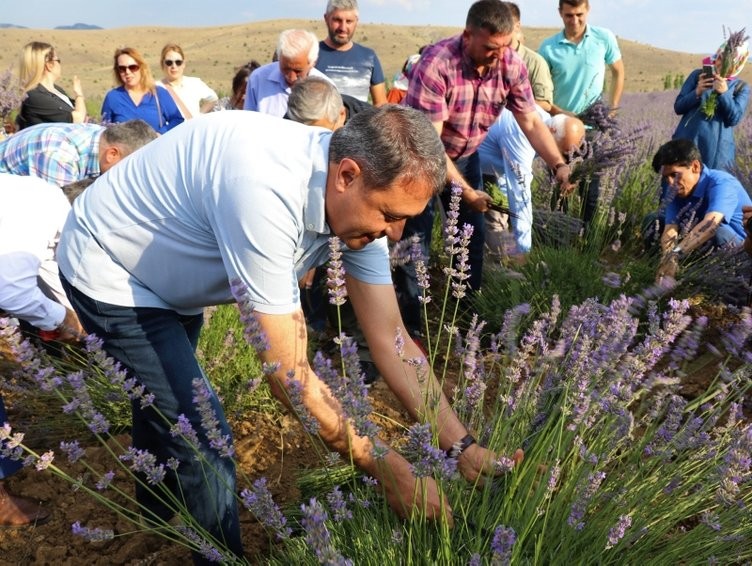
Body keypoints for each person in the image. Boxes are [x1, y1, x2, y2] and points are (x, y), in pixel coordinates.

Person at [57, 106, 523, 563]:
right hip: (111, 266)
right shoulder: (263, 191)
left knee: (164, 396)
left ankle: (158, 507)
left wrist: (462, 446)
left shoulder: (361, 210)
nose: (396, 234)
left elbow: (392, 340)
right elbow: (289, 375)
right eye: (390, 214)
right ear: (346, 175)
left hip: (173, 269)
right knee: (201, 430)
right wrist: (390, 470)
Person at [395, 0, 572, 337]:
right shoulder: (437, 64)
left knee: (470, 237)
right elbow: (430, 147)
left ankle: (467, 316)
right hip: (419, 159)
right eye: (490, 47)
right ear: (468, 35)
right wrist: (466, 191)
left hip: (465, 154)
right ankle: (411, 328)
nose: (498, 55)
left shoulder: (510, 64)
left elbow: (532, 121)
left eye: (504, 46)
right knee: (416, 241)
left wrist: (558, 164)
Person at [0, 173, 90, 527]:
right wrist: (60, 318)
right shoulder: (42, 210)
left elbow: (48, 268)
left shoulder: (43, 200)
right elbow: (9, 289)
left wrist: (74, 316)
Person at [538, 0, 625, 224]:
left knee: (591, 192)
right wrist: (561, 113)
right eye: (568, 15)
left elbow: (618, 72)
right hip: (559, 130)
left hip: (592, 128)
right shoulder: (548, 48)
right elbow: (541, 95)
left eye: (579, 15)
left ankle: (584, 241)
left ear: (587, 11)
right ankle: (558, 241)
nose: (574, 21)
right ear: (560, 13)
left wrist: (612, 109)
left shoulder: (603, 38)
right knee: (560, 188)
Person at [479, 112, 586, 258]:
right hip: (460, 163)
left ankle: (494, 266)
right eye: (561, 150)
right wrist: (523, 250)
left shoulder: (543, 120)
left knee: (497, 218)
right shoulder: (520, 135)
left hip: (490, 170)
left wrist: (561, 168)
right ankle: (492, 269)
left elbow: (507, 168)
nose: (560, 155)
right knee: (486, 222)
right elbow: (520, 193)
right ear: (551, 131)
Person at [653, 139, 752, 282]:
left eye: (675, 175)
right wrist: (667, 258)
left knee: (717, 232)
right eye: (665, 177)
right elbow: (670, 228)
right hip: (699, 245)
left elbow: (710, 225)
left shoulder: (721, 182)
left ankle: (729, 286)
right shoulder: (675, 188)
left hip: (741, 251)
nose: (670, 182)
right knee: (654, 222)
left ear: (695, 166)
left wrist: (675, 254)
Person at [0, 120, 157, 187]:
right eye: (129, 170)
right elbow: (58, 218)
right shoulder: (60, 155)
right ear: (112, 154)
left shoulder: (103, 138)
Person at [672, 38, 750, 171]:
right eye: (719, 57)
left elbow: (734, 118)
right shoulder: (697, 75)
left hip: (718, 154)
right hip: (686, 144)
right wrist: (697, 92)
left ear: (736, 64)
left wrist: (724, 93)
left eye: (727, 61)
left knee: (711, 189)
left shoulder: (740, 87)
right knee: (676, 187)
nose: (719, 63)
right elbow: (678, 107)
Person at [243, 29, 331, 117]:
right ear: (279, 58)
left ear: (313, 63)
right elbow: (249, 120)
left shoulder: (327, 89)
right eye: (285, 68)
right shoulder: (258, 79)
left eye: (298, 71)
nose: (291, 77)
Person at [315, 0, 387, 105]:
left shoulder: (369, 57)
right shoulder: (311, 54)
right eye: (337, 20)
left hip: (359, 121)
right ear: (326, 19)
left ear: (356, 21)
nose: (343, 28)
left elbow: (381, 105)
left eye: (349, 21)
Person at [101, 47, 184, 134]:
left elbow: (177, 120)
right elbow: (104, 130)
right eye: (122, 68)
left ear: (142, 68)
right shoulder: (113, 97)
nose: (127, 72)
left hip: (156, 146)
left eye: (132, 67)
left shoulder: (159, 94)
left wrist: (160, 134)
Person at [15, 41, 86, 130]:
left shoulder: (56, 89)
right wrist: (79, 95)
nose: (60, 64)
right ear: (49, 65)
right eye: (58, 60)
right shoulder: (35, 96)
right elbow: (78, 119)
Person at [504, 2, 553, 111]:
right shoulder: (489, 58)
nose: (500, 29)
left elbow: (545, 104)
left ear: (517, 26)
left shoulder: (535, 62)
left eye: (504, 25)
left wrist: (509, 104)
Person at [158, 43, 219, 118]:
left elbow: (213, 99)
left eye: (178, 62)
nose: (174, 66)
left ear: (183, 64)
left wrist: (200, 115)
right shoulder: (155, 88)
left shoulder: (194, 83)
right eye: (169, 62)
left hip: (192, 128)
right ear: (162, 64)